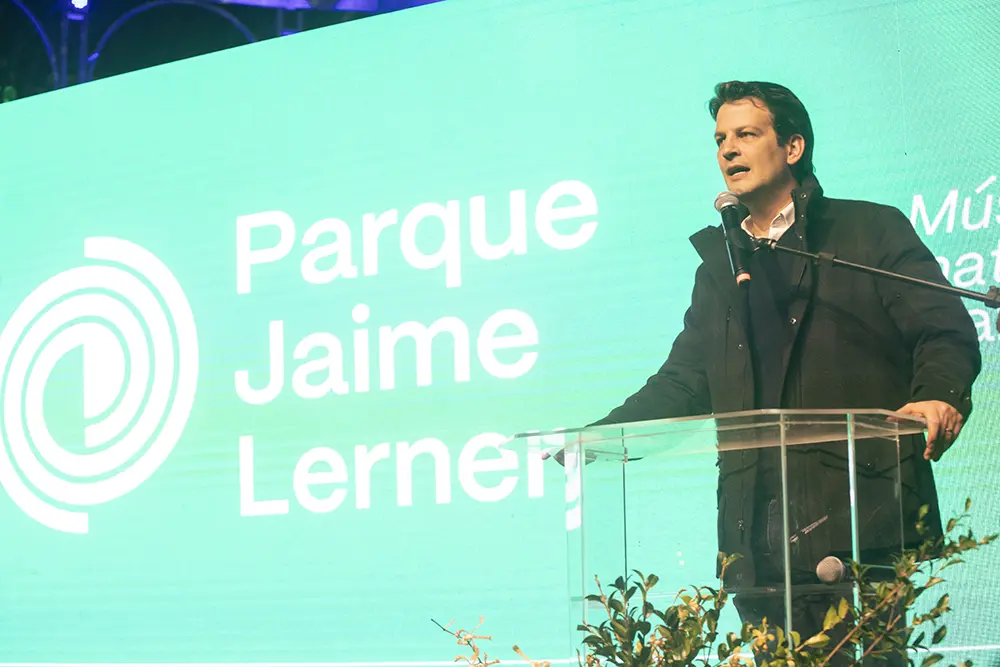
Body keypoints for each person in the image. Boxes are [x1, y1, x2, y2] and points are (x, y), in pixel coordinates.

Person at [589, 81, 982, 663]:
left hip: (858, 524)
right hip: (756, 539)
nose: (727, 150)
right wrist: (603, 436)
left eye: (746, 134)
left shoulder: (866, 232)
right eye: (720, 138)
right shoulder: (721, 268)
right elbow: (685, 379)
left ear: (792, 147)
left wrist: (938, 396)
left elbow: (941, 329)